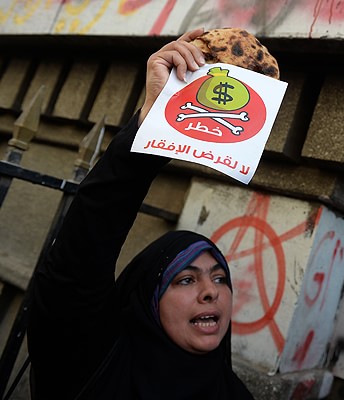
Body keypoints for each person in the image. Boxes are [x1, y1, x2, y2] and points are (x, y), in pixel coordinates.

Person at [27, 29, 254, 400]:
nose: (211, 291)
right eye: (186, 279)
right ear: (149, 298)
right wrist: (155, 121)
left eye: (220, 278)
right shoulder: (95, 365)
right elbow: (79, 258)